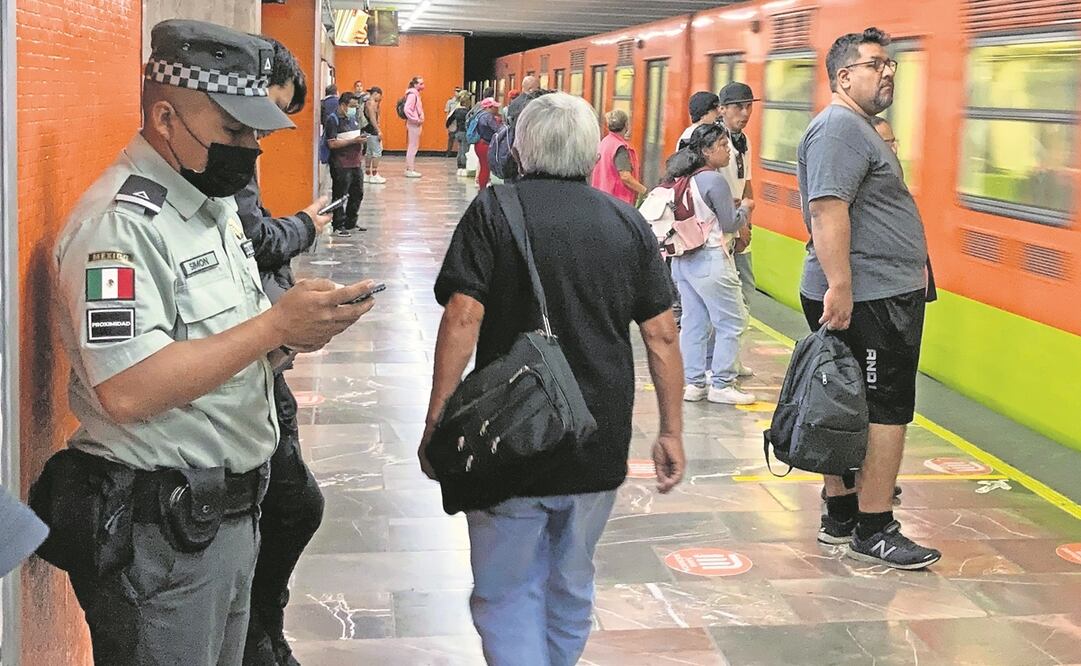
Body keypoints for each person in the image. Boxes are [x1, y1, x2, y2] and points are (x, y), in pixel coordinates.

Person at [40, 19, 377, 665]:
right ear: (166, 117)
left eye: (254, 131)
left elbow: (222, 343)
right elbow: (127, 389)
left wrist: (292, 337)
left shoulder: (208, 204)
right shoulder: (119, 227)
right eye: (233, 130)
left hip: (224, 514)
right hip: (161, 534)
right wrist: (273, 326)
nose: (250, 148)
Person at [421, 92, 685, 666]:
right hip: (599, 433)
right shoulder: (627, 222)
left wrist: (439, 414)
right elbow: (662, 335)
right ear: (593, 152)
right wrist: (671, 431)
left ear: (519, 146)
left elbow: (463, 315)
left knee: (507, 587)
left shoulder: (495, 211)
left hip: (510, 432)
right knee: (571, 580)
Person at [798, 27, 940, 569]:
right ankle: (874, 527)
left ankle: (841, 513)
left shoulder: (853, 128)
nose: (888, 72)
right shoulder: (840, 129)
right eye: (876, 64)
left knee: (842, 401)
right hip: (870, 296)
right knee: (885, 408)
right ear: (844, 76)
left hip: (871, 291)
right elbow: (827, 209)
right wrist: (841, 286)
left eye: (891, 65)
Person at [234, 37, 332, 666]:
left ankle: (262, 627)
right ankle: (257, 633)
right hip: (238, 384)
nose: (258, 143)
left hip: (256, 373)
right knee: (291, 505)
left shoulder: (225, 170)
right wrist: (305, 227)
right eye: (253, 122)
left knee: (293, 505)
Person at [668, 124, 756, 405]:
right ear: (706, 151)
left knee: (694, 322)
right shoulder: (715, 180)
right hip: (709, 260)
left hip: (682, 261)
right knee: (733, 320)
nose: (728, 150)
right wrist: (745, 209)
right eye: (721, 145)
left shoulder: (684, 177)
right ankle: (722, 383)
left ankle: (694, 384)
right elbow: (730, 223)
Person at [717, 81, 760, 377]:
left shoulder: (743, 141)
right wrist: (738, 219)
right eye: (737, 107)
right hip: (720, 233)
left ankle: (732, 358)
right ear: (722, 110)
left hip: (739, 229)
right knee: (724, 302)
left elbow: (747, 184)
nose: (744, 113)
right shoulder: (716, 143)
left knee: (745, 293)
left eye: (749, 107)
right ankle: (717, 367)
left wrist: (749, 223)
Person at [324, 91, 367, 236]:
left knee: (357, 193)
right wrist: (352, 141)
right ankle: (338, 224)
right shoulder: (333, 120)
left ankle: (351, 222)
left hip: (355, 163)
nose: (354, 109)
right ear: (343, 105)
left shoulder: (353, 119)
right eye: (352, 106)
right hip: (341, 164)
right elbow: (332, 143)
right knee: (340, 194)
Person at [591, 109, 646, 205]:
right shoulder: (620, 148)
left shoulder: (604, 143)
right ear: (626, 126)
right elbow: (625, 177)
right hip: (617, 202)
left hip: (602, 199)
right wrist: (644, 191)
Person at [474, 97, 503, 189]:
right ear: (489, 107)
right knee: (485, 167)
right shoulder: (488, 116)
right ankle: (482, 188)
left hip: (479, 144)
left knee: (483, 166)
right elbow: (497, 129)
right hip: (485, 144)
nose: (497, 109)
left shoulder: (479, 115)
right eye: (494, 107)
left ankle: (481, 186)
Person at [318, 83, 338, 198]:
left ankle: (324, 192)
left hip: (326, 133)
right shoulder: (339, 102)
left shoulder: (322, 103)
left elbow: (321, 119)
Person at [363, 86, 386, 184]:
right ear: (376, 94)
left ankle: (367, 173)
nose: (380, 99)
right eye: (380, 96)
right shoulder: (371, 103)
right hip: (372, 131)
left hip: (366, 130)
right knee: (377, 153)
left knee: (369, 152)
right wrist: (378, 131)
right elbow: (373, 118)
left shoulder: (366, 102)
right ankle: (374, 174)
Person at [404, 76, 426, 178]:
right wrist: (416, 120)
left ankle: (409, 168)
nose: (423, 86)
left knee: (413, 145)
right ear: (415, 84)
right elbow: (407, 109)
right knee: (413, 146)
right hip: (414, 124)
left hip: (414, 124)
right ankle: (410, 169)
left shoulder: (414, 95)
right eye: (421, 84)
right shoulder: (413, 95)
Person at [447, 89, 471, 175]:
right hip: (464, 132)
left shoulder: (456, 111)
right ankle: (463, 166)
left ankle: (459, 165)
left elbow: (449, 119)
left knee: (459, 149)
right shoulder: (468, 113)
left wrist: (448, 126)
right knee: (464, 150)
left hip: (457, 132)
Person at [445, 86, 462, 155]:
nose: (457, 93)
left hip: (460, 121)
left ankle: (459, 153)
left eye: (459, 91)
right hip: (452, 122)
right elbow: (447, 112)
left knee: (460, 137)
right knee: (451, 137)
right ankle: (449, 151)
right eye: (456, 91)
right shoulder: (450, 102)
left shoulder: (462, 102)